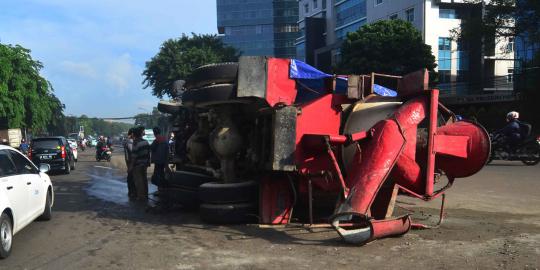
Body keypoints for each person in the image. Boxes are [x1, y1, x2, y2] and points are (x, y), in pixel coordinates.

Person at [130, 127, 151, 201]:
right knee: (144, 180)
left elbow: (134, 157)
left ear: (135, 134)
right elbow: (148, 154)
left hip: (138, 165)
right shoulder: (146, 142)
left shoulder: (136, 143)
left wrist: (131, 167)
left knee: (139, 181)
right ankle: (146, 195)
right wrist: (148, 163)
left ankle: (141, 197)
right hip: (144, 164)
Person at [123, 128, 136, 199]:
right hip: (130, 162)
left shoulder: (128, 141)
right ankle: (132, 192)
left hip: (130, 161)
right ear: (132, 134)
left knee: (131, 177)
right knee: (131, 177)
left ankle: (132, 192)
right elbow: (132, 151)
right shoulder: (129, 142)